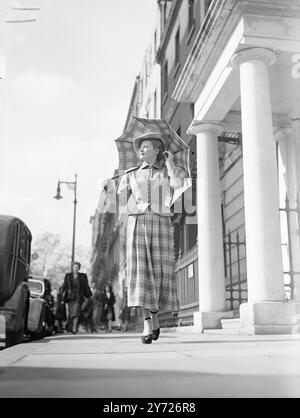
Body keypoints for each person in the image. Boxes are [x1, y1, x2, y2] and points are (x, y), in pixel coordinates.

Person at [104, 132, 189, 344]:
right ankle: (147, 323)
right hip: (137, 222)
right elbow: (119, 201)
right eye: (139, 147)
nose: (140, 150)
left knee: (158, 274)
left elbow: (178, 186)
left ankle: (155, 319)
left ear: (157, 150)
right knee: (141, 273)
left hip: (161, 223)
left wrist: (169, 164)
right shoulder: (130, 174)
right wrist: (108, 189)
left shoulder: (168, 171)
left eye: (146, 146)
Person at [62, 261, 92, 334]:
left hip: (79, 296)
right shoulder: (68, 276)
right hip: (70, 297)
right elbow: (65, 285)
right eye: (74, 267)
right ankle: (71, 326)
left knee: (76, 313)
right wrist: (62, 295)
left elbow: (86, 286)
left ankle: (74, 328)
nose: (76, 268)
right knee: (71, 314)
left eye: (77, 267)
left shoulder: (83, 276)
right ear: (72, 268)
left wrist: (89, 294)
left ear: (79, 268)